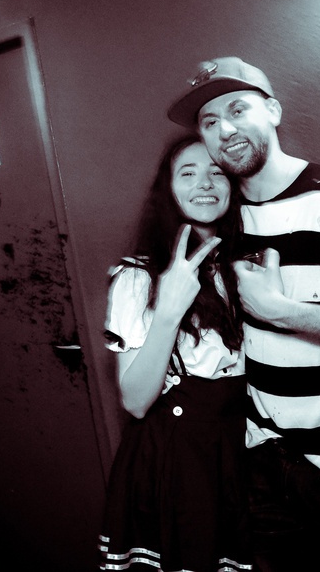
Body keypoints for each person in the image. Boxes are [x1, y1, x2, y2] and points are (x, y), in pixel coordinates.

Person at [167, 57, 320, 571]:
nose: (225, 130)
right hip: (262, 463)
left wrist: (284, 312)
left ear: (274, 111)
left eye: (238, 110)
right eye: (209, 122)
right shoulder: (224, 216)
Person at [99, 134, 253, 572]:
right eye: (188, 173)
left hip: (239, 450)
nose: (204, 183)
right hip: (176, 457)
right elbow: (135, 400)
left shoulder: (244, 266)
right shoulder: (139, 278)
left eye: (217, 172)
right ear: (168, 189)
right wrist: (168, 312)